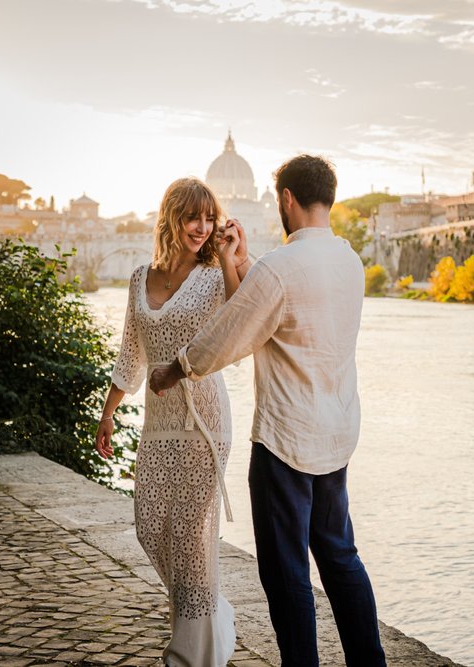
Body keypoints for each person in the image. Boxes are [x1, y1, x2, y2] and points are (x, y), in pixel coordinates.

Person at [150, 155, 386, 667]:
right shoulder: (348, 261)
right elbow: (285, 299)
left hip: (285, 441)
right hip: (337, 435)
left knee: (286, 573)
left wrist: (174, 370)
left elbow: (232, 333)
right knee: (340, 556)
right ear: (329, 197)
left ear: (285, 200)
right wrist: (243, 260)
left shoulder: (282, 269)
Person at [95, 177, 251, 667]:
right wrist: (108, 410)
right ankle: (210, 615)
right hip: (158, 422)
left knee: (189, 533)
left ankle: (189, 654)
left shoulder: (211, 276)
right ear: (171, 217)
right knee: (148, 526)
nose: (202, 228)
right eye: (192, 217)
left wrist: (229, 258)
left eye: (209, 218)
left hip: (205, 420)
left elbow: (242, 318)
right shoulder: (141, 277)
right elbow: (130, 355)